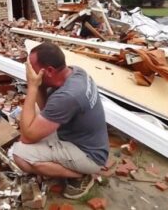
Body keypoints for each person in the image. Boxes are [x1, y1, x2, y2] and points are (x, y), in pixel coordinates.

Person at [13, 42, 109, 199]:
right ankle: (67, 165)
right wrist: (40, 86)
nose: (30, 72)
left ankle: (80, 175)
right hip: (85, 138)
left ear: (49, 71)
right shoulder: (75, 72)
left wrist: (32, 86)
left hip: (89, 155)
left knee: (20, 155)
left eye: (33, 68)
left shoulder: (67, 96)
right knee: (33, 113)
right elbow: (46, 109)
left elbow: (27, 137)